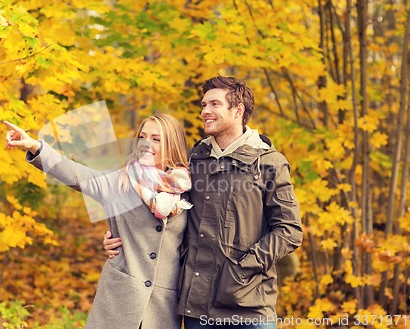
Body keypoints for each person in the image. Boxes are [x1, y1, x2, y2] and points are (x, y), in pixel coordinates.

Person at [104, 76, 303, 329]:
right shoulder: (192, 160)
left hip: (250, 307)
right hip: (198, 307)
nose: (205, 111)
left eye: (214, 104)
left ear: (238, 110)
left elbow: (289, 230)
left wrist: (242, 268)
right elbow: (159, 210)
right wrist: (116, 236)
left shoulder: (268, 162)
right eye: (203, 105)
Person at [4, 113, 192, 329]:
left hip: (162, 308)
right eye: (143, 136)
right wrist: (35, 146)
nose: (146, 144)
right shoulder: (120, 182)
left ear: (172, 144)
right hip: (119, 301)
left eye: (156, 139)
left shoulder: (186, 188)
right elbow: (75, 174)